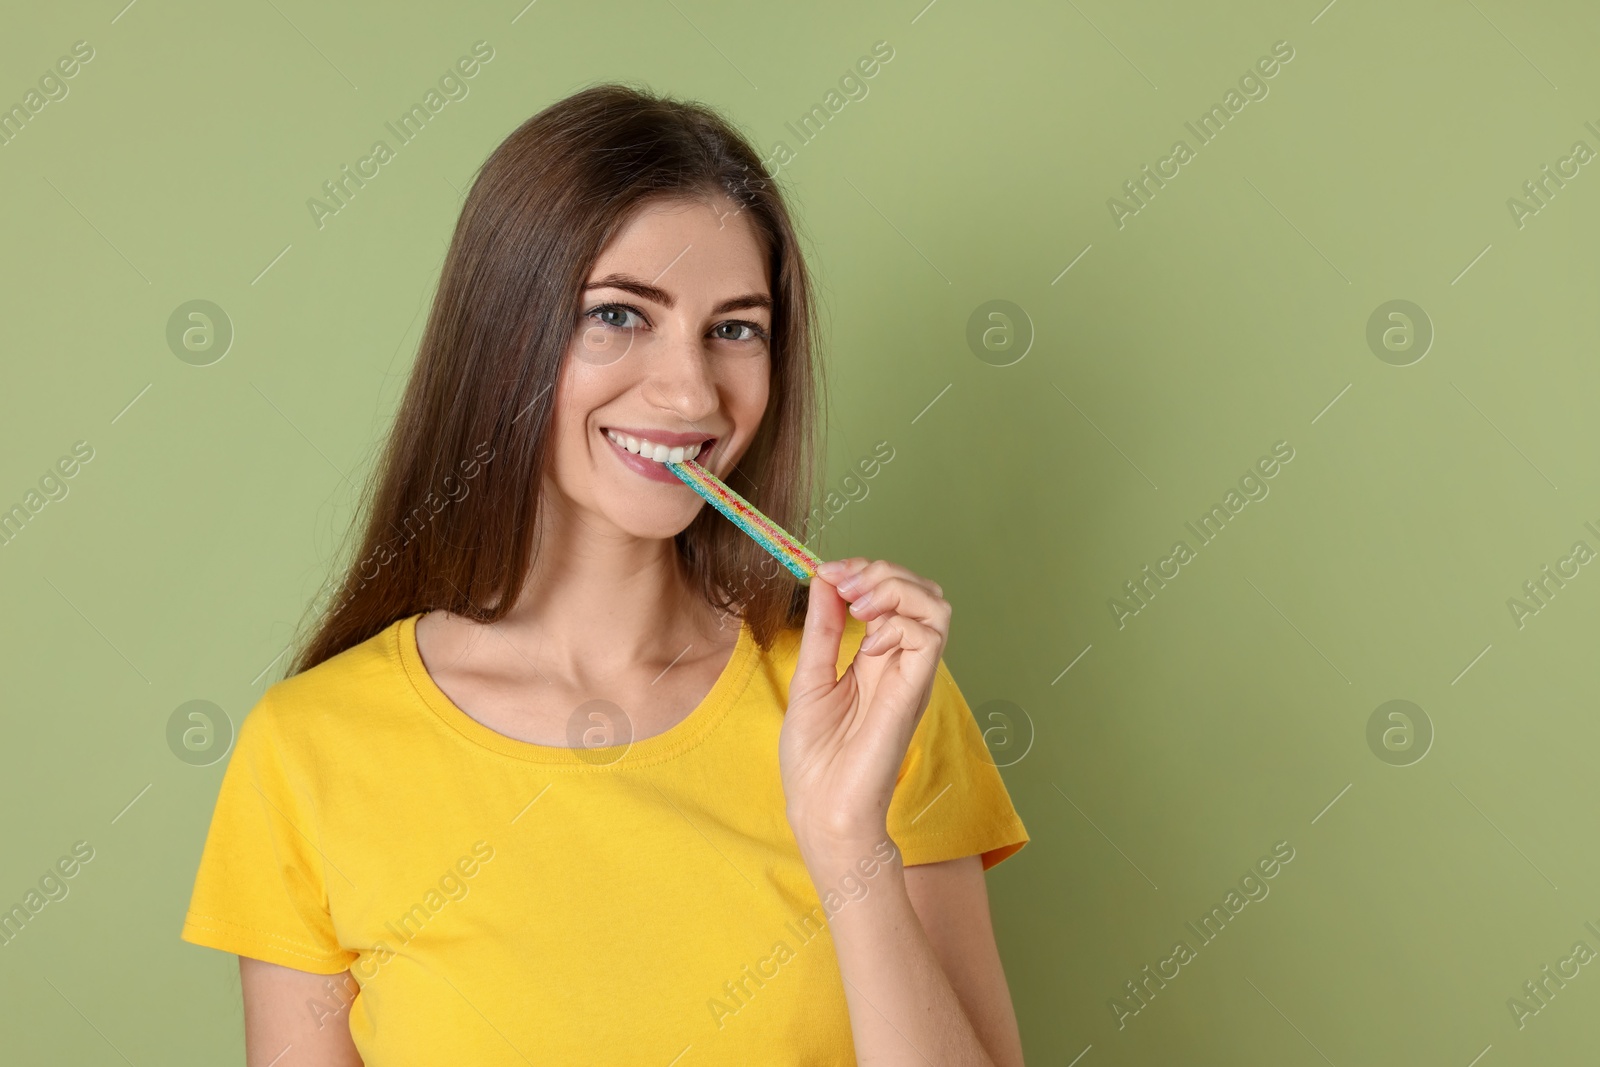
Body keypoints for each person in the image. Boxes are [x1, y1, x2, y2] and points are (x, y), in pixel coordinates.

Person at [181, 82, 1029, 1066]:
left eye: (735, 327)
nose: (688, 391)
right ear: (502, 335)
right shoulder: (308, 749)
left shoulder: (872, 699)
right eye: (620, 314)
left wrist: (846, 839)